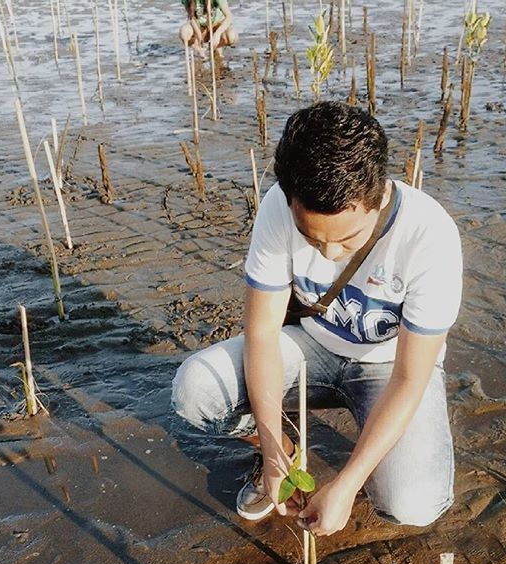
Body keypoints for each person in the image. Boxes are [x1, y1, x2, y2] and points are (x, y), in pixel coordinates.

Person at [171, 101, 463, 537]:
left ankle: (368, 474)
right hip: (309, 347)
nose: (328, 254)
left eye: (347, 239)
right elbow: (263, 335)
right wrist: (272, 450)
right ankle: (290, 452)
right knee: (196, 391)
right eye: (311, 237)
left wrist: (346, 484)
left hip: (388, 369)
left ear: (378, 197)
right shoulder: (277, 207)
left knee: (413, 503)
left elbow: (409, 379)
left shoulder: (430, 237)